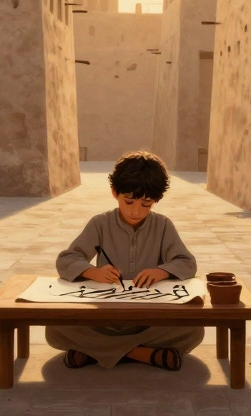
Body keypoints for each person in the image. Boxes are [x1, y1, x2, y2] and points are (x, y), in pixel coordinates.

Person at [46, 151, 203, 371]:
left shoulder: (163, 226)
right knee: (54, 329)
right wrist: (93, 272)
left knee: (194, 330)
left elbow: (187, 263)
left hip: (149, 318)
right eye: (129, 201)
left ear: (156, 200)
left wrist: (162, 271)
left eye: (146, 204)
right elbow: (66, 259)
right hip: (104, 317)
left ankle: (96, 351)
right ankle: (143, 354)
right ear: (114, 193)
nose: (136, 211)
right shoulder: (100, 223)